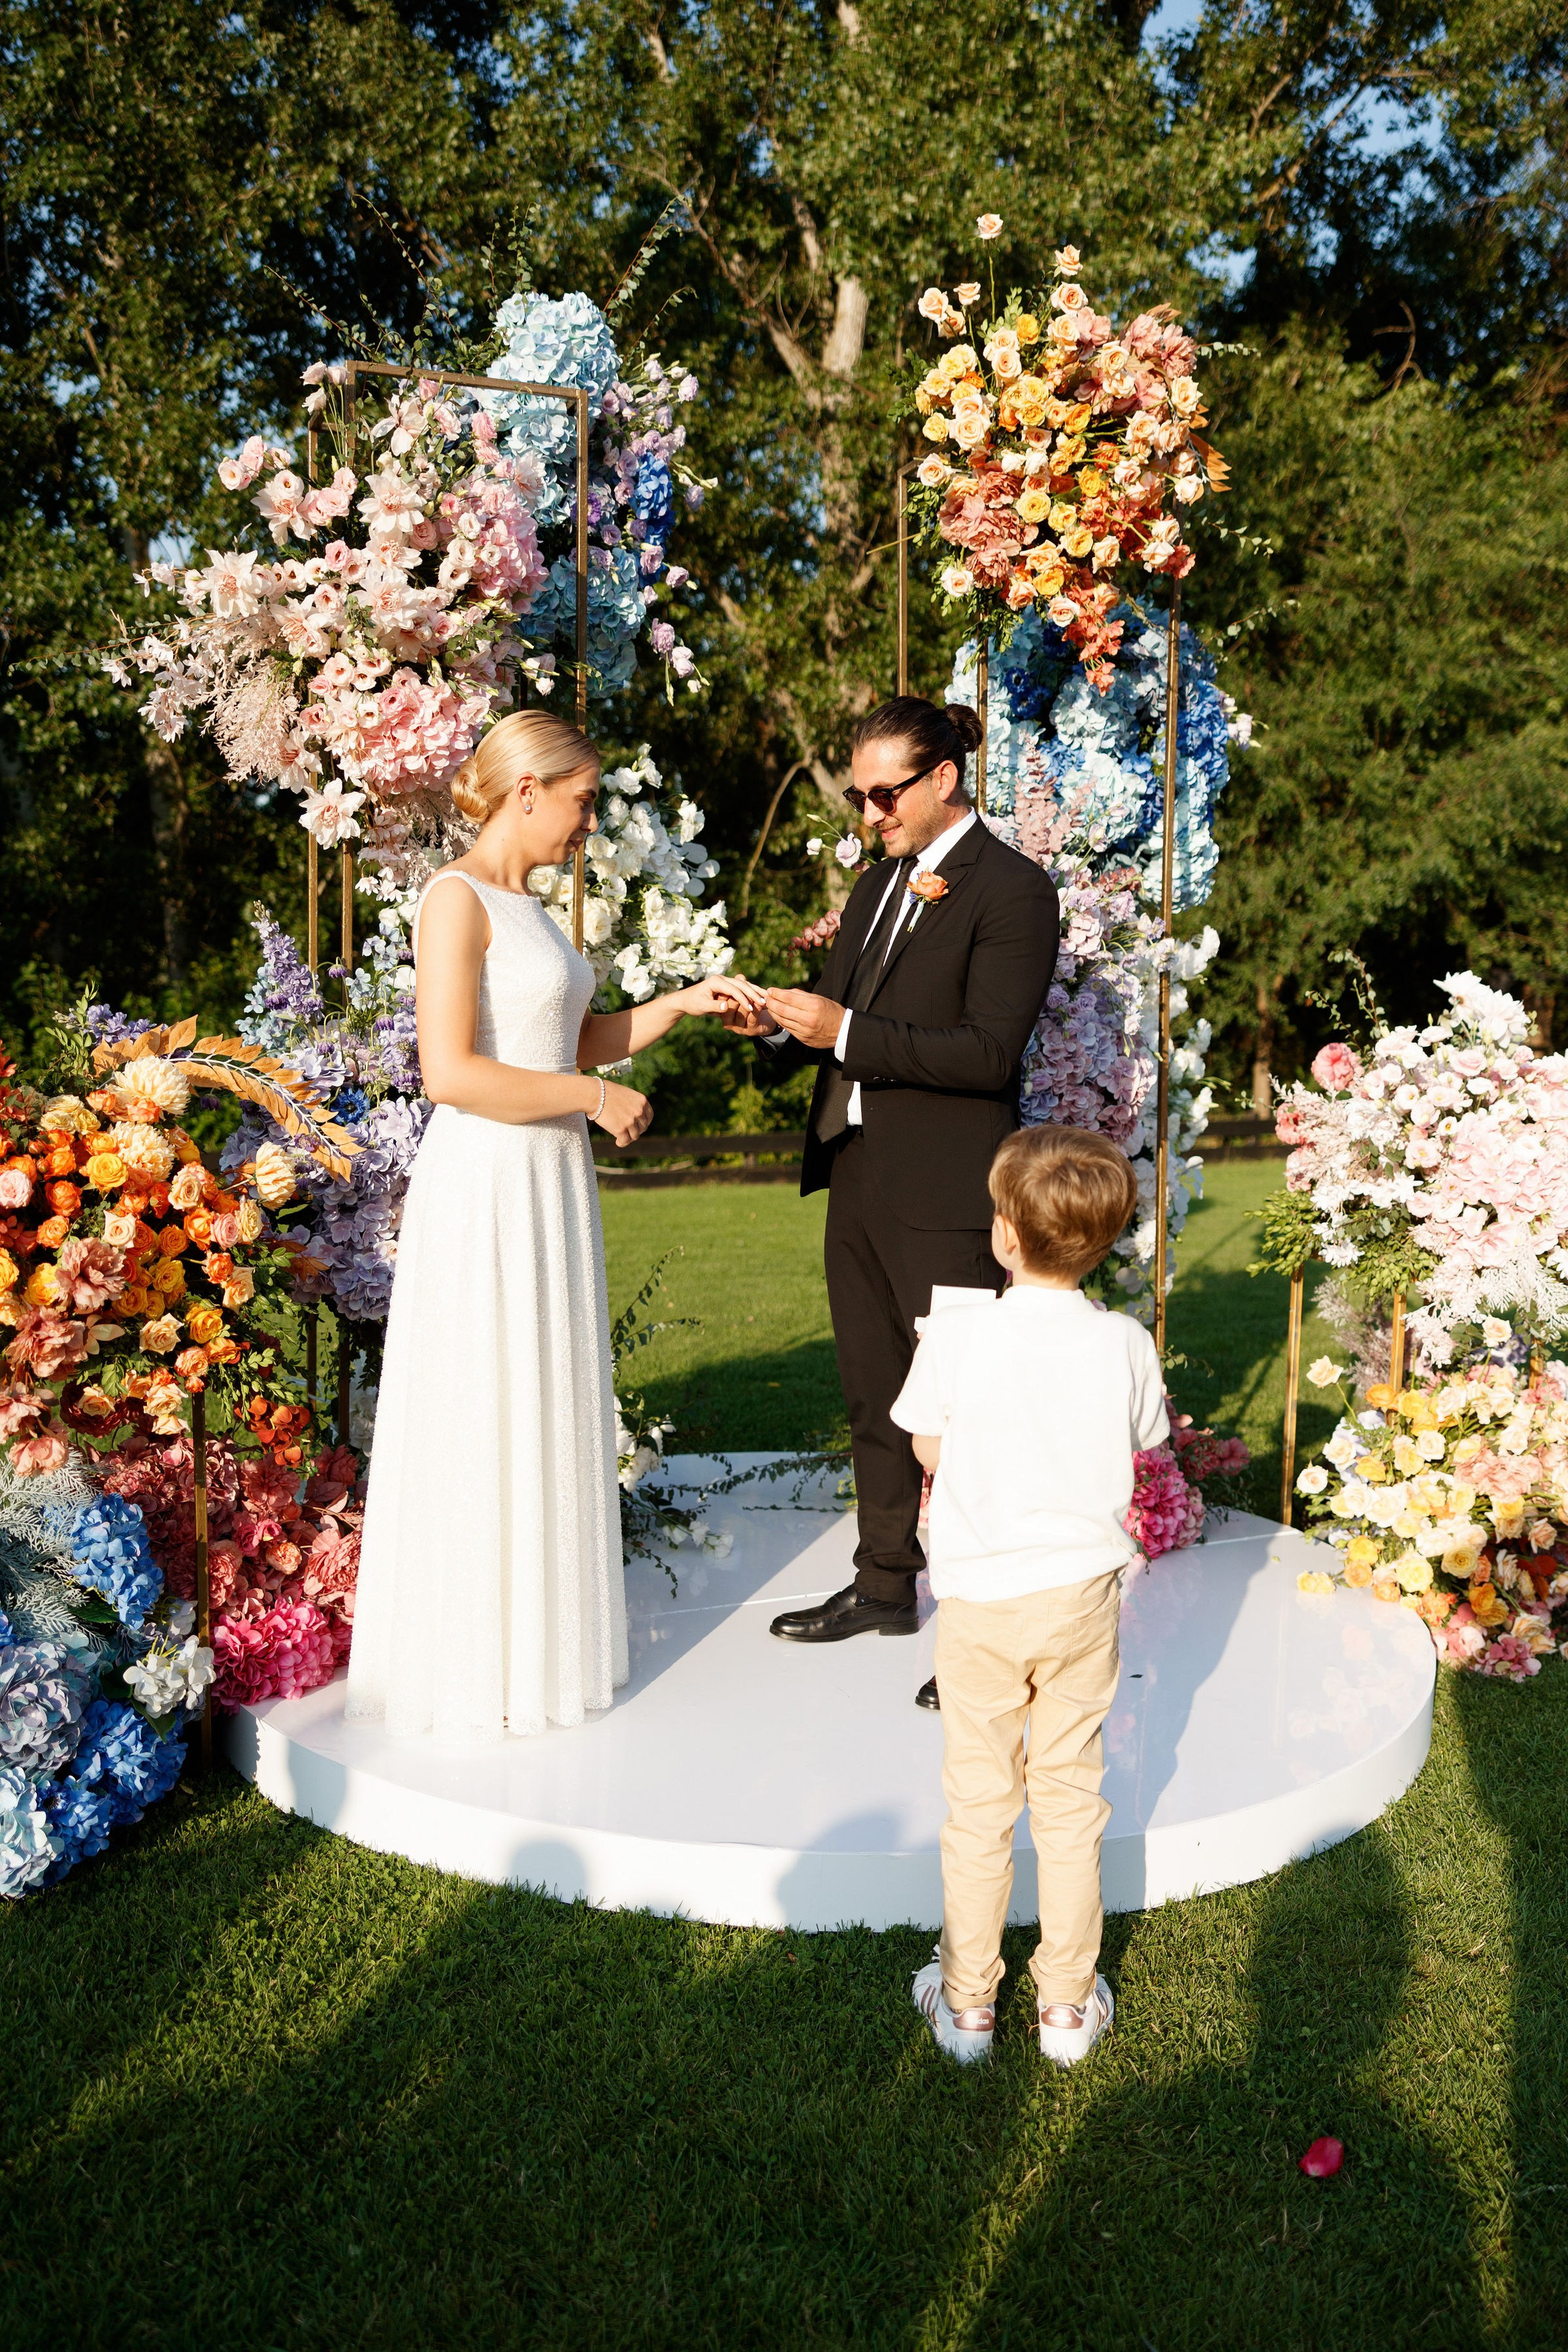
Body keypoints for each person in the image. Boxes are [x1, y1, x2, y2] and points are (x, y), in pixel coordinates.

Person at [346, 710, 765, 1742]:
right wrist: (590, 1099)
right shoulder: (454, 899)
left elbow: (570, 1039)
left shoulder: (530, 907)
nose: (589, 821)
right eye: (581, 801)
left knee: (542, 1394)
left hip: (548, 1182)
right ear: (527, 790)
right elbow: (450, 1073)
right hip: (489, 1183)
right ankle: (470, 1662)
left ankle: (535, 1652)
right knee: (485, 1401)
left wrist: (681, 1003)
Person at [727, 696, 1059, 1704]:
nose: (870, 812)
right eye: (860, 795)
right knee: (875, 1395)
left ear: (943, 779)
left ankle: (989, 1636)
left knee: (964, 1420)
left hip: (952, 1191)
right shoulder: (876, 886)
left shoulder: (1016, 891)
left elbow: (988, 1054)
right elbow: (844, 1019)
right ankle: (882, 1586)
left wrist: (841, 1031)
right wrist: (776, 1029)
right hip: (857, 1170)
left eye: (885, 794)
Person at [892, 1124, 1168, 2066]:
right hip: (1081, 1598)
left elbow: (927, 1446)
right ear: (1105, 1241)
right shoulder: (1124, 1341)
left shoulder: (959, 1335)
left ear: (1005, 1236)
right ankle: (1066, 2008)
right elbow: (1144, 1438)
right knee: (1070, 1796)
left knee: (980, 1802)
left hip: (980, 1600)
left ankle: (968, 2004)